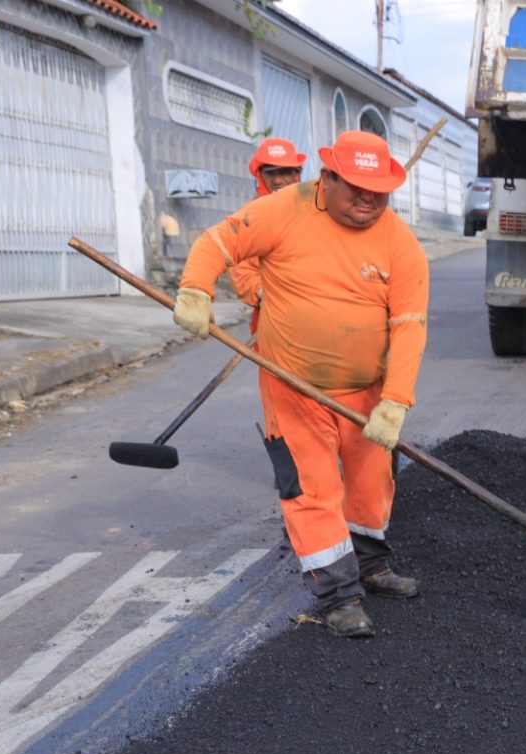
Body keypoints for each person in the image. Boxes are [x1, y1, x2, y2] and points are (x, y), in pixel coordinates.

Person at [172, 131, 428, 638]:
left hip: (365, 390)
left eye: (378, 191)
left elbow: (409, 324)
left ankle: (371, 565)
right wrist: (196, 290)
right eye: (355, 187)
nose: (367, 200)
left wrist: (395, 401)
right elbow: (219, 241)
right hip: (294, 386)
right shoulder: (283, 211)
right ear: (327, 178)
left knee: (372, 481)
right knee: (312, 488)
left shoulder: (400, 242)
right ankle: (338, 595)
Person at [230, 137, 307, 330]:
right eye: (270, 173)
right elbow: (242, 271)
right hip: (273, 319)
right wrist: (264, 293)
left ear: (298, 173)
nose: (278, 180)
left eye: (285, 172)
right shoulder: (249, 218)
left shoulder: (317, 210)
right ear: (260, 175)